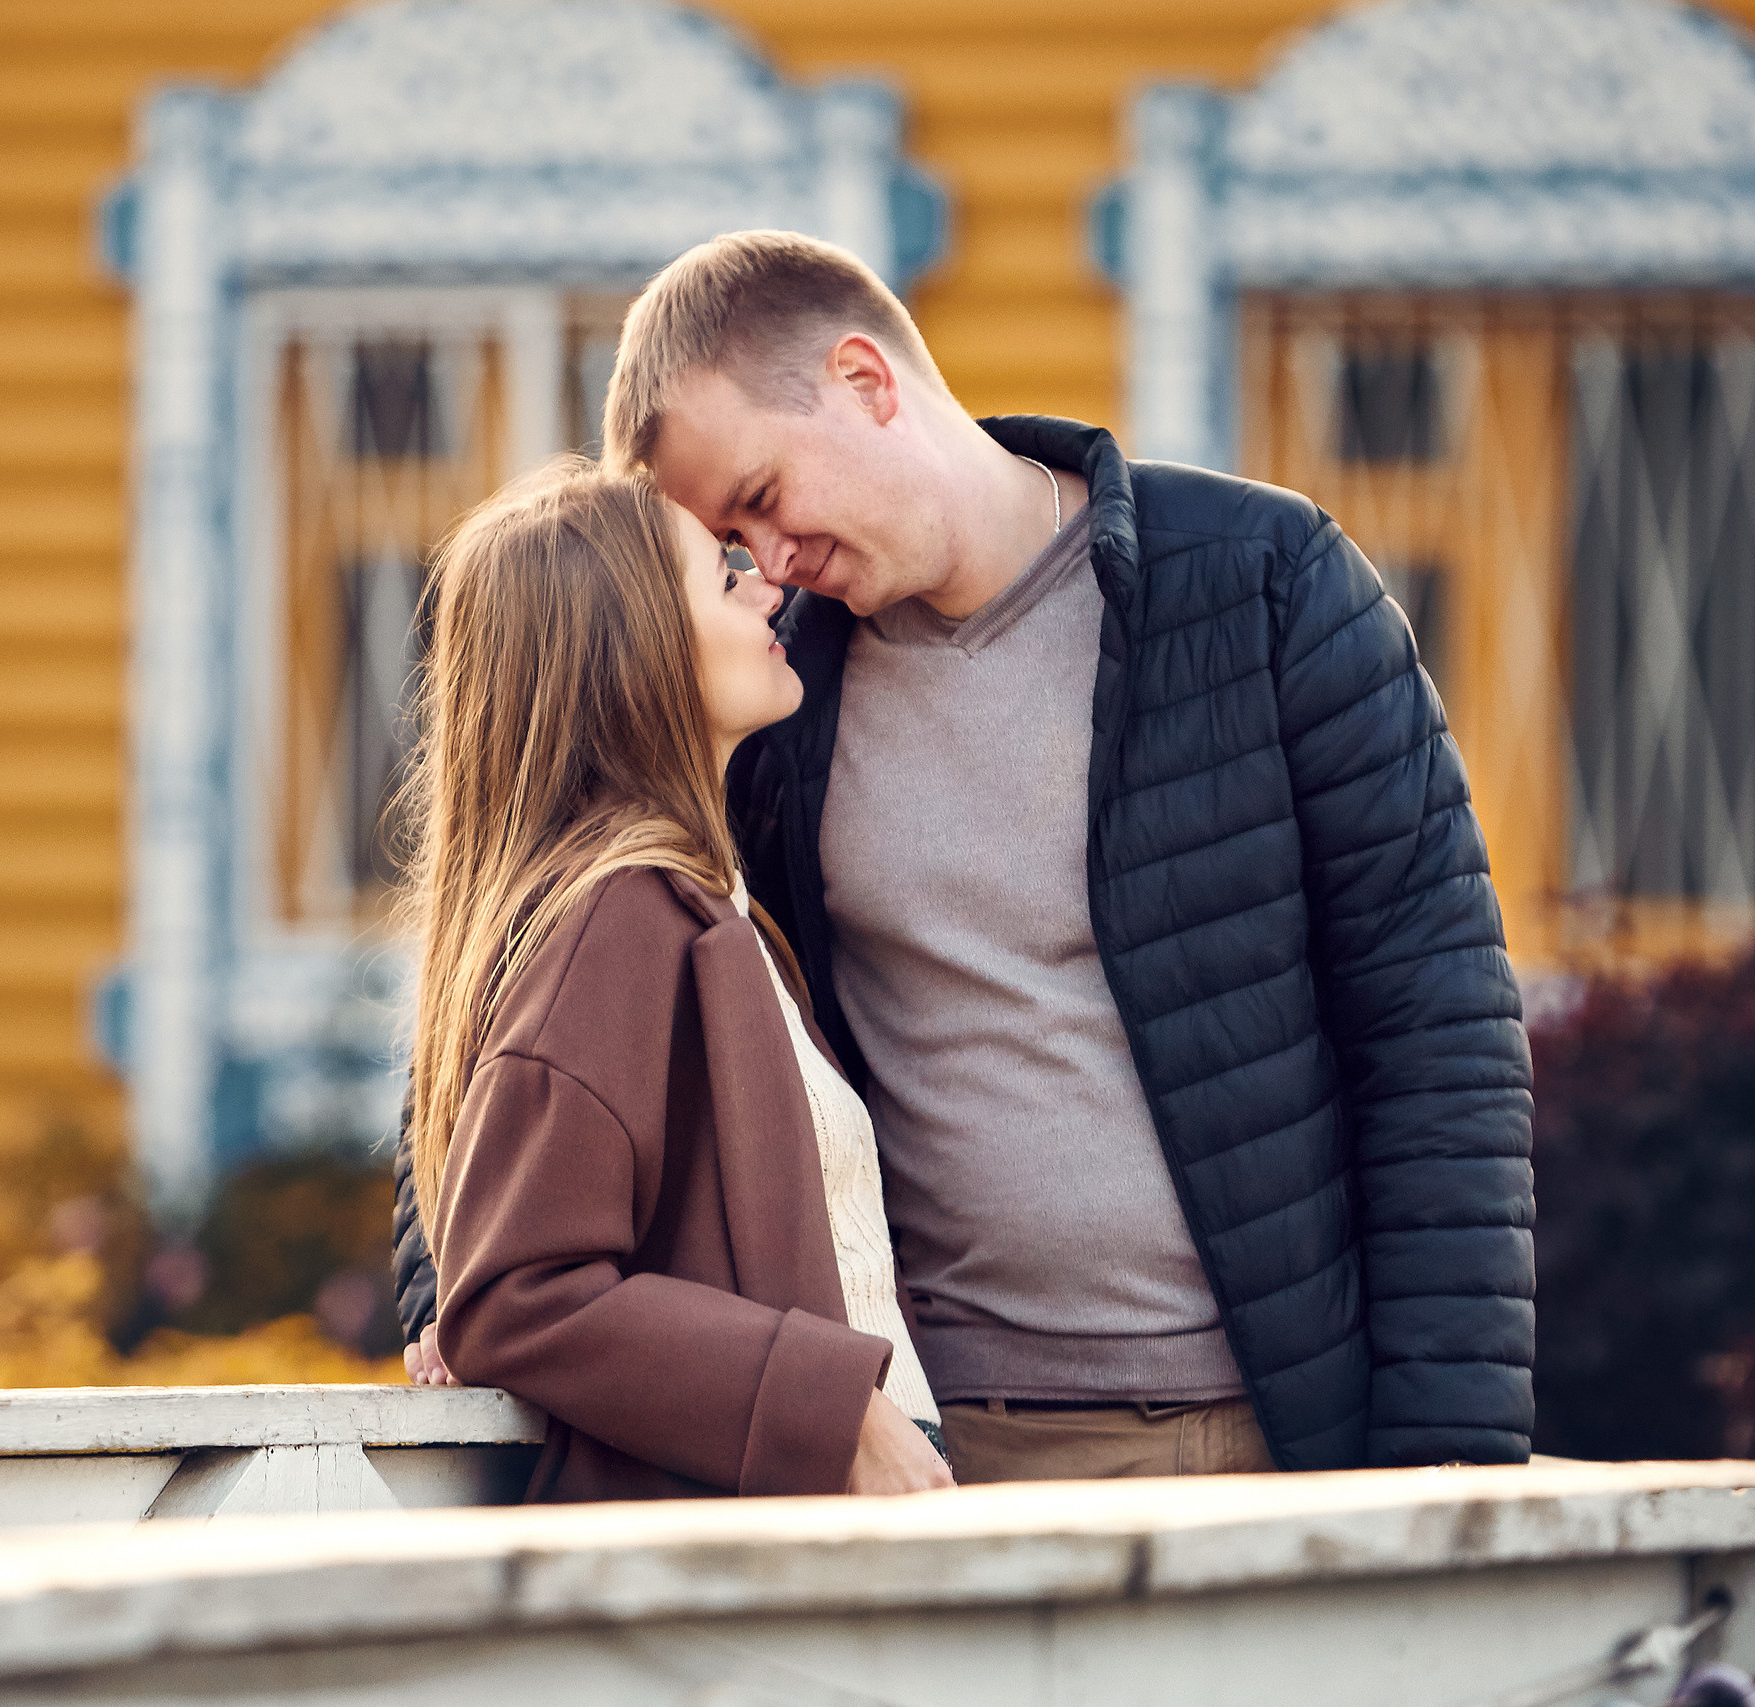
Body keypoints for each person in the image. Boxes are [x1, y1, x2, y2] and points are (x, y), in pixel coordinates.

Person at [398, 229, 1535, 1481]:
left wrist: (1448, 1472)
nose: (769, 570)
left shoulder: (1263, 586)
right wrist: (446, 1284)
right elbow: (526, 946)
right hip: (917, 1450)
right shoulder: (784, 692)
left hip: (1265, 1435)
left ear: (865, 381)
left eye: (763, 503)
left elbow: (1439, 1036)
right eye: (727, 545)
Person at [396, 456, 953, 1502]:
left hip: (849, 1492)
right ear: (636, 649)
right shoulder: (620, 917)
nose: (769, 589)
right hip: (775, 1526)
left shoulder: (705, 907)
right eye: (724, 576)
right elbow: (519, 1292)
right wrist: (835, 1415)